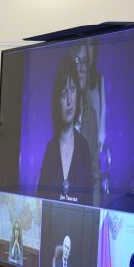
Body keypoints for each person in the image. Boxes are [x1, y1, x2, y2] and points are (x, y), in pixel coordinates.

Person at [37, 54, 93, 205]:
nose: (69, 100)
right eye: (63, 93)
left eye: (73, 89)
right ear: (57, 101)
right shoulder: (50, 149)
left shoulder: (84, 147)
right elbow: (40, 205)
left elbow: (89, 206)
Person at [71, 40, 101, 204]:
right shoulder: (55, 114)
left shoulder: (91, 115)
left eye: (85, 61)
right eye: (77, 61)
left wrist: (94, 212)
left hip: (83, 208)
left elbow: (95, 176)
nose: (83, 67)